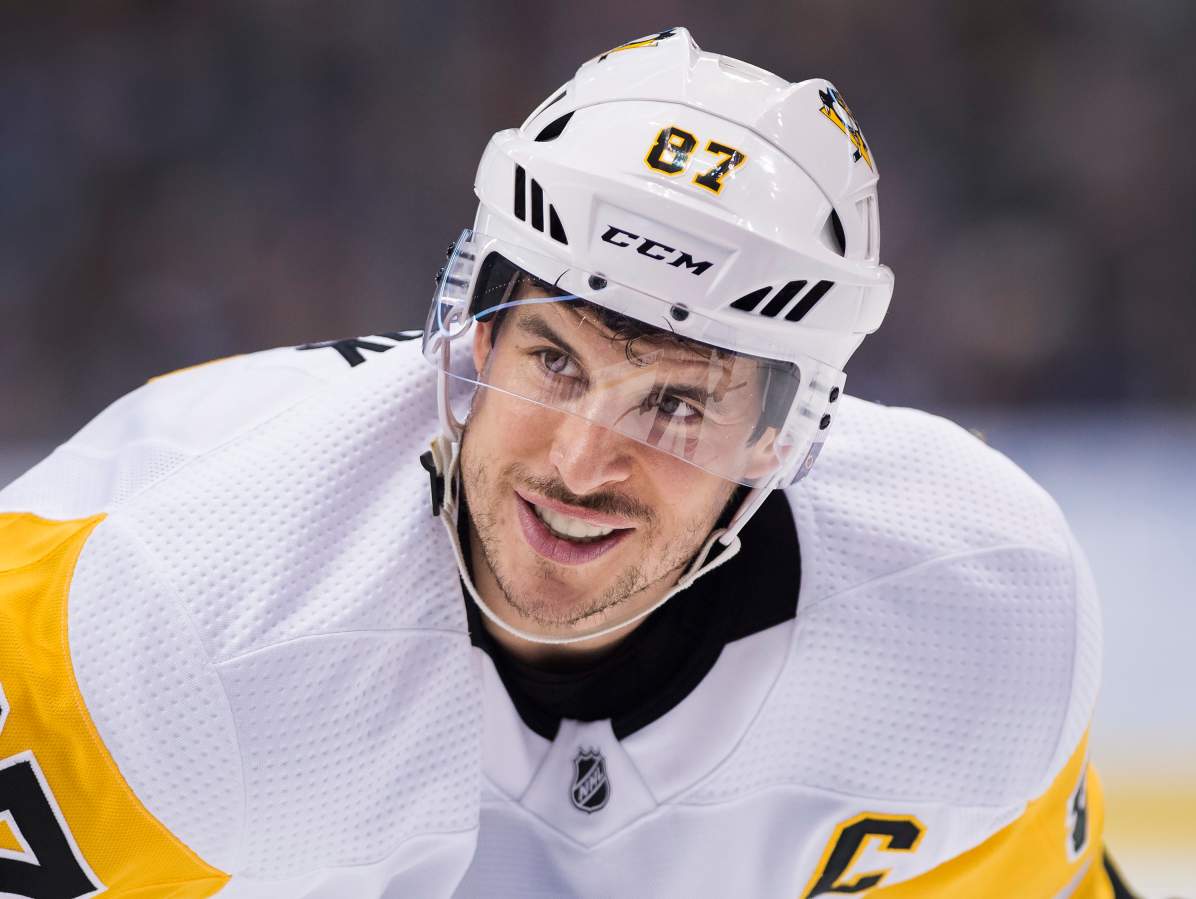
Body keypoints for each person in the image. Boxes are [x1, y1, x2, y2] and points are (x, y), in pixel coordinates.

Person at [0, 27, 1137, 898]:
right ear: (475, 336)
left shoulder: (977, 610)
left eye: (679, 402)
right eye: (555, 360)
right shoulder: (182, 616)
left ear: (779, 439)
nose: (586, 460)